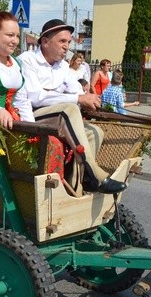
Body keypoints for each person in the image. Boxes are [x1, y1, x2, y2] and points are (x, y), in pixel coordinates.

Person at [18, 19, 125, 194]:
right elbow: (36, 97)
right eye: (62, 41)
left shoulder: (62, 66)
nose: (67, 47)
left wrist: (90, 100)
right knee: (69, 109)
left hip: (57, 115)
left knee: (96, 132)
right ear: (45, 42)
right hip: (31, 115)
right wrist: (78, 98)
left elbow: (76, 89)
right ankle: (95, 174)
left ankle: (76, 186)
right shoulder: (27, 60)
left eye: (68, 42)